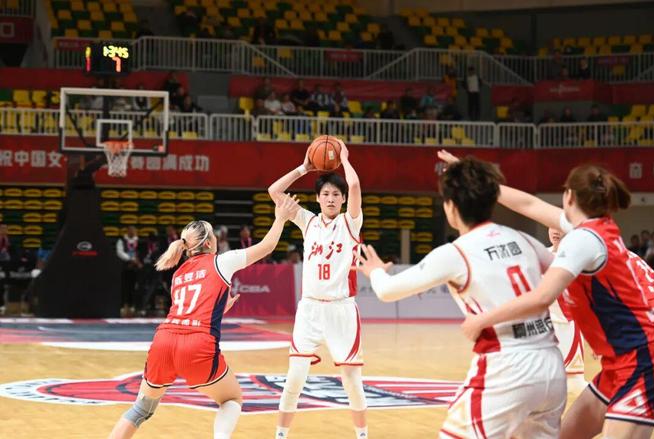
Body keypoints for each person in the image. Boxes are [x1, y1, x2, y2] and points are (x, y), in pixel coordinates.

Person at [444, 151, 654, 439]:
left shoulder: (582, 241)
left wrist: (483, 319)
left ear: (569, 196)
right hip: (621, 360)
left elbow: (542, 297)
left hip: (646, 358)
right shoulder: (592, 228)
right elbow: (528, 204)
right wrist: (477, 180)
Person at [357, 155, 566, 439]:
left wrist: (374, 272)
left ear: (451, 207)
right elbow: (562, 277)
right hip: (551, 364)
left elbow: (387, 291)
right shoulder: (523, 238)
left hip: (508, 366)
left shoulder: (456, 252)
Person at [108, 195, 300, 439]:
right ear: (209, 243)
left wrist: (219, 309)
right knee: (231, 399)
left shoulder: (178, 273)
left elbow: (188, 311)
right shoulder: (222, 261)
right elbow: (267, 246)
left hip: (164, 341)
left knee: (140, 409)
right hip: (196, 344)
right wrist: (280, 218)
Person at [269, 140, 368, 439]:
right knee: (294, 379)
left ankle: (362, 435)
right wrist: (304, 167)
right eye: (325, 194)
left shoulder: (350, 223)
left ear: (343, 199)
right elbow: (274, 192)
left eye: (336, 194)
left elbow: (355, 185)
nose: (331, 199)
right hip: (310, 309)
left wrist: (345, 159)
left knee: (352, 380)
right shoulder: (308, 222)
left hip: (341, 309)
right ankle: (280, 434)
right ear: (318, 198)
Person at [546, 228, 588, 394]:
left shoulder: (577, 255)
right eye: (551, 227)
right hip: (546, 325)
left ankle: (611, 405)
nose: (555, 232)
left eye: (559, 227)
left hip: (569, 325)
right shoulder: (542, 254)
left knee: (575, 382)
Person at [117, 225, 143, 316]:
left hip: (136, 268)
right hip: (125, 267)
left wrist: (138, 261)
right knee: (124, 287)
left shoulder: (139, 241)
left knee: (134, 288)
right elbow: (120, 253)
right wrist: (131, 259)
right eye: (130, 230)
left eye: (133, 230)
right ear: (127, 231)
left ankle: (133, 306)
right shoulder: (121, 240)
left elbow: (142, 252)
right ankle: (122, 306)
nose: (132, 232)